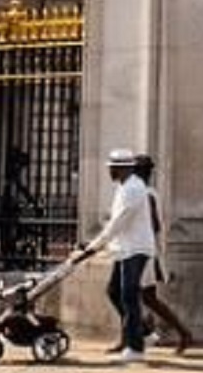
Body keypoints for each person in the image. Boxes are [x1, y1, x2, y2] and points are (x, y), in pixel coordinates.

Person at [72, 147, 157, 361]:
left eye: (112, 168)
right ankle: (143, 332)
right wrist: (93, 245)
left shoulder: (134, 189)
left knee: (129, 295)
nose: (110, 172)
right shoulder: (123, 187)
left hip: (136, 248)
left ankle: (135, 348)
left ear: (123, 168)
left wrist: (93, 247)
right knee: (114, 292)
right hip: (124, 248)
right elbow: (114, 223)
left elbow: (118, 224)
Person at [130, 154, 194, 354]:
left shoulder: (145, 194)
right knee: (142, 298)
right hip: (141, 252)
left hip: (143, 253)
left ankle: (143, 334)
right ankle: (147, 332)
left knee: (136, 297)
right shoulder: (145, 193)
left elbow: (154, 225)